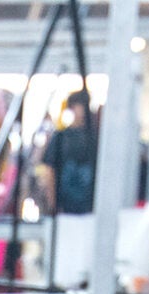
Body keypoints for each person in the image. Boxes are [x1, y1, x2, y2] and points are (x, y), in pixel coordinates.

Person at [37, 87, 98, 217]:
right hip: (65, 206)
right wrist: (53, 204)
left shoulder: (96, 138)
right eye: (79, 106)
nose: (82, 110)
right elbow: (50, 171)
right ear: (72, 108)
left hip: (90, 208)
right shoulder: (60, 137)